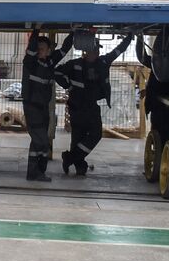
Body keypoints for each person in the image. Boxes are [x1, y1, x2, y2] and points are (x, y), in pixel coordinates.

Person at [56, 31, 134, 176]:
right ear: (86, 51)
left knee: (96, 134)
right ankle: (79, 165)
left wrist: (129, 38)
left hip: (91, 107)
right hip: (77, 107)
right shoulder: (75, 64)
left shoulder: (103, 62)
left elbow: (118, 51)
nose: (96, 52)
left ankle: (70, 158)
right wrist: (68, 85)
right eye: (94, 50)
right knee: (77, 138)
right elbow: (57, 72)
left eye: (97, 50)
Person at [21, 29, 72, 182]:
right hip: (32, 107)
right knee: (42, 141)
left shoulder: (50, 62)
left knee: (39, 141)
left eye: (42, 49)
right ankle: (35, 172)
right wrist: (36, 30)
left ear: (49, 50)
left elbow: (64, 49)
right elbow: (31, 49)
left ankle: (36, 172)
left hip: (43, 108)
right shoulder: (31, 63)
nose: (39, 51)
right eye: (37, 49)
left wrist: (73, 33)